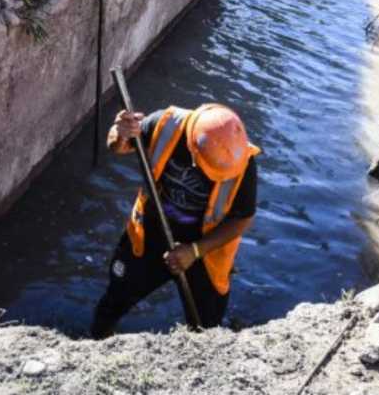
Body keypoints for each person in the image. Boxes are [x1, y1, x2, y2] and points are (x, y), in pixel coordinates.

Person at [90, 103, 259, 339]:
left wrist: (194, 251)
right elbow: (117, 145)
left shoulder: (242, 161)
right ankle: (98, 342)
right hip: (151, 233)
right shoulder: (165, 125)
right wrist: (120, 133)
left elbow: (242, 219)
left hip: (204, 249)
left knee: (206, 328)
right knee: (115, 299)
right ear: (193, 149)